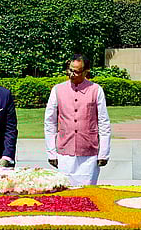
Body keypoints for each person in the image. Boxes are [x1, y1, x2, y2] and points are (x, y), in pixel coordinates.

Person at [44, 54, 111, 186]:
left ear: (86, 72)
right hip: (64, 153)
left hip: (89, 154)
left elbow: (104, 122)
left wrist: (104, 153)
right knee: (65, 194)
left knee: (88, 194)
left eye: (76, 71)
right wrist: (51, 152)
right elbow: (49, 122)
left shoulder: (96, 90)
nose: (72, 74)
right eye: (70, 70)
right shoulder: (57, 90)